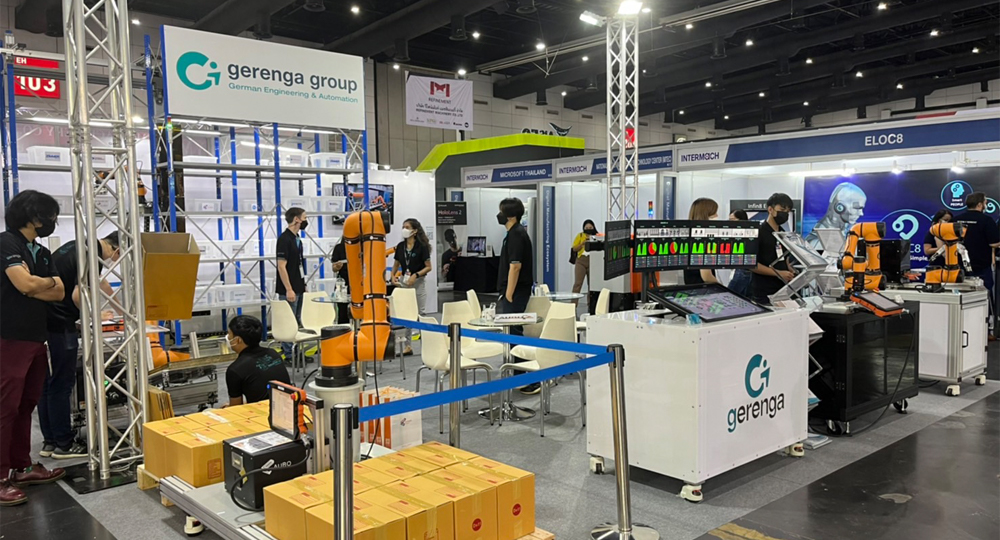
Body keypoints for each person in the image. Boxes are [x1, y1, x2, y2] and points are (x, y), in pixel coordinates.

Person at [0, 190, 67, 506]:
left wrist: (38, 285)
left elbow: (59, 291)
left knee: (26, 404)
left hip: (36, 339)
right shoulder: (6, 243)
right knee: (5, 408)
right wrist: (40, 283)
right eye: (50, 216)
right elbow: (24, 284)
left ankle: (21, 466)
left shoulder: (41, 252)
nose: (52, 222)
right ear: (33, 217)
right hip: (8, 338)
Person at [40, 231, 120, 461]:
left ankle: (51, 441)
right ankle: (64, 444)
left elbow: (99, 282)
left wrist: (120, 308)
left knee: (47, 383)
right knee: (62, 384)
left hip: (46, 318)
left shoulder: (82, 245)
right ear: (117, 250)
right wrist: (95, 316)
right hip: (60, 321)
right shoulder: (92, 254)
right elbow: (78, 295)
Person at [495, 197, 537, 393]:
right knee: (512, 332)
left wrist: (509, 293)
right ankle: (518, 374)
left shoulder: (517, 235)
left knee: (515, 332)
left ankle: (526, 377)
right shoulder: (513, 233)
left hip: (516, 291)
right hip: (514, 290)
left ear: (510, 215)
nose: (499, 215)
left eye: (502, 212)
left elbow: (515, 266)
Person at [954, 193, 999, 327]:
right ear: (980, 204)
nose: (986, 205)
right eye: (985, 203)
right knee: (984, 297)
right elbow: (994, 243)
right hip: (981, 266)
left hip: (958, 267)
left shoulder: (956, 220)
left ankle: (961, 325)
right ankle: (984, 328)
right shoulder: (986, 220)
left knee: (960, 297)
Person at [225, 315, 291, 405]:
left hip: (263, 412)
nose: (228, 337)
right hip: (288, 407)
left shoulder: (235, 370)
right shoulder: (273, 353)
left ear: (238, 340)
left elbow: (236, 407)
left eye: (229, 334)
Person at [750, 193, 796, 304]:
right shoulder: (758, 232)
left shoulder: (783, 233)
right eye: (782, 210)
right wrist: (778, 273)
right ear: (770, 209)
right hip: (764, 290)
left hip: (783, 289)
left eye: (787, 211)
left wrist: (790, 270)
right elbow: (752, 264)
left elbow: (784, 258)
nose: (785, 214)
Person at [276, 207, 308, 359]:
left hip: (298, 286)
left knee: (297, 320)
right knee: (288, 321)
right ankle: (289, 354)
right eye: (304, 218)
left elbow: (299, 264)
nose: (306, 221)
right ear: (296, 219)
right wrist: (289, 289)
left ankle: (296, 352)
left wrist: (303, 284)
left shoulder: (297, 239)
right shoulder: (284, 239)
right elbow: (281, 266)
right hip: (289, 289)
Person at [391, 218, 432, 315]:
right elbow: (396, 264)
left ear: (415, 231)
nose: (404, 230)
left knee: (420, 311)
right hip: (404, 281)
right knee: (405, 310)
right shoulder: (400, 246)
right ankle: (407, 326)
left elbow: (428, 267)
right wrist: (392, 276)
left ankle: (419, 325)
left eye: (407, 227)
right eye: (403, 227)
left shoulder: (422, 246)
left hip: (418, 282)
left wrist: (415, 275)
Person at [684, 199, 721, 286]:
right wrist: (721, 287)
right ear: (706, 214)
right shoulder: (703, 240)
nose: (717, 215)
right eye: (714, 213)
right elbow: (706, 276)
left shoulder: (691, 236)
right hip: (703, 288)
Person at [571, 220, 598, 301]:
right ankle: (573, 304)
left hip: (592, 260)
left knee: (592, 285)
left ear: (593, 227)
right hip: (581, 260)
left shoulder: (597, 236)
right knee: (577, 284)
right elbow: (574, 248)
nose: (588, 229)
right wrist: (583, 243)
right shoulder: (580, 235)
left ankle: (591, 304)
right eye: (586, 228)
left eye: (590, 227)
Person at [728, 210, 752, 297]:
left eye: (732, 220)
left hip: (743, 271)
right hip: (738, 270)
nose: (730, 223)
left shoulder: (748, 235)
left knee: (729, 296)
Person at [330, 238, 351, 324]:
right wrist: (337, 267)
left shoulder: (363, 246)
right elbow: (334, 268)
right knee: (342, 312)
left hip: (359, 282)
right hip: (343, 282)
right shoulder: (339, 248)